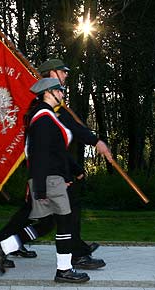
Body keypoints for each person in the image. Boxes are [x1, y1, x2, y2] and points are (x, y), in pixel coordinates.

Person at [0, 78, 89, 283]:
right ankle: (64, 270)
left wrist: (67, 174)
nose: (62, 94)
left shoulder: (45, 117)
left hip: (50, 178)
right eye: (59, 90)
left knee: (46, 224)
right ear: (48, 93)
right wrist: (41, 187)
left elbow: (56, 153)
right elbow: (40, 155)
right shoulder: (43, 119)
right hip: (49, 180)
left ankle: (2, 247)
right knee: (65, 222)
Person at [38, 58, 112, 269]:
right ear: (52, 73)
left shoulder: (53, 103)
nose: (66, 75)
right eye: (63, 71)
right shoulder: (46, 107)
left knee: (59, 216)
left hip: (55, 170)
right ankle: (75, 255)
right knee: (56, 217)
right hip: (50, 172)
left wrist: (75, 166)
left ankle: (76, 251)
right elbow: (64, 135)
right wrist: (95, 141)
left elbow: (70, 131)